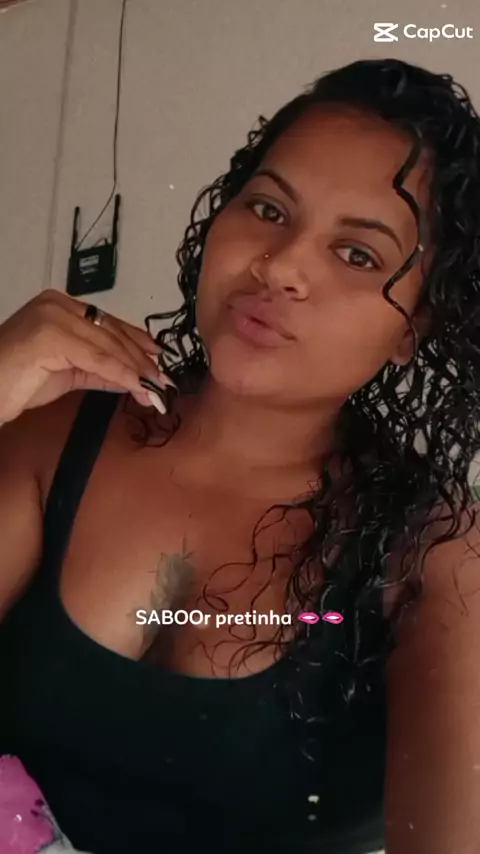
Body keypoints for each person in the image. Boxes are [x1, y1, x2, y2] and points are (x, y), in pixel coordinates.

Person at [0, 56, 478, 854]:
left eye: (358, 254)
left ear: (416, 327)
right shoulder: (59, 431)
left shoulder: (435, 552)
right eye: (268, 208)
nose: (279, 266)